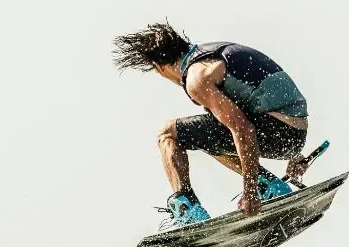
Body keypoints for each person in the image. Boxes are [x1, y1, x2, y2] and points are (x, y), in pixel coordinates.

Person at [112, 21, 313, 226]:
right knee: (207, 135)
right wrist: (294, 153)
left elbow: (243, 129)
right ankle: (268, 185)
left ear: (160, 68)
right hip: (293, 134)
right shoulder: (211, 54)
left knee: (168, 134)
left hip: (277, 131)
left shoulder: (197, 78)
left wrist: (250, 190)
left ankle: (189, 213)